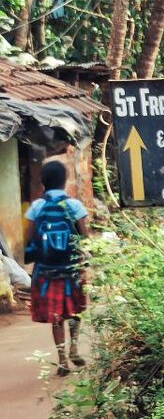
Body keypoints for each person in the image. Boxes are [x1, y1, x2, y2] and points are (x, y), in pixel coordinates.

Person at [25, 159, 89, 376]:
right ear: (64, 181)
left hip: (46, 271)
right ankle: (74, 348)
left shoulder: (36, 207)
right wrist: (84, 261)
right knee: (75, 309)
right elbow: (85, 238)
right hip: (71, 269)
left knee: (56, 316)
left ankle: (62, 360)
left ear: (43, 182)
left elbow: (30, 240)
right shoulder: (74, 206)